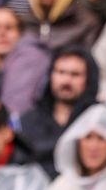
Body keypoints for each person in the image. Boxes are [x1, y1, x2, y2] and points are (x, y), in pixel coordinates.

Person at [20, 48, 101, 178]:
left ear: (88, 79)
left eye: (75, 74)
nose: (66, 81)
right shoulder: (29, 120)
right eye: (61, 72)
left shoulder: (100, 119)